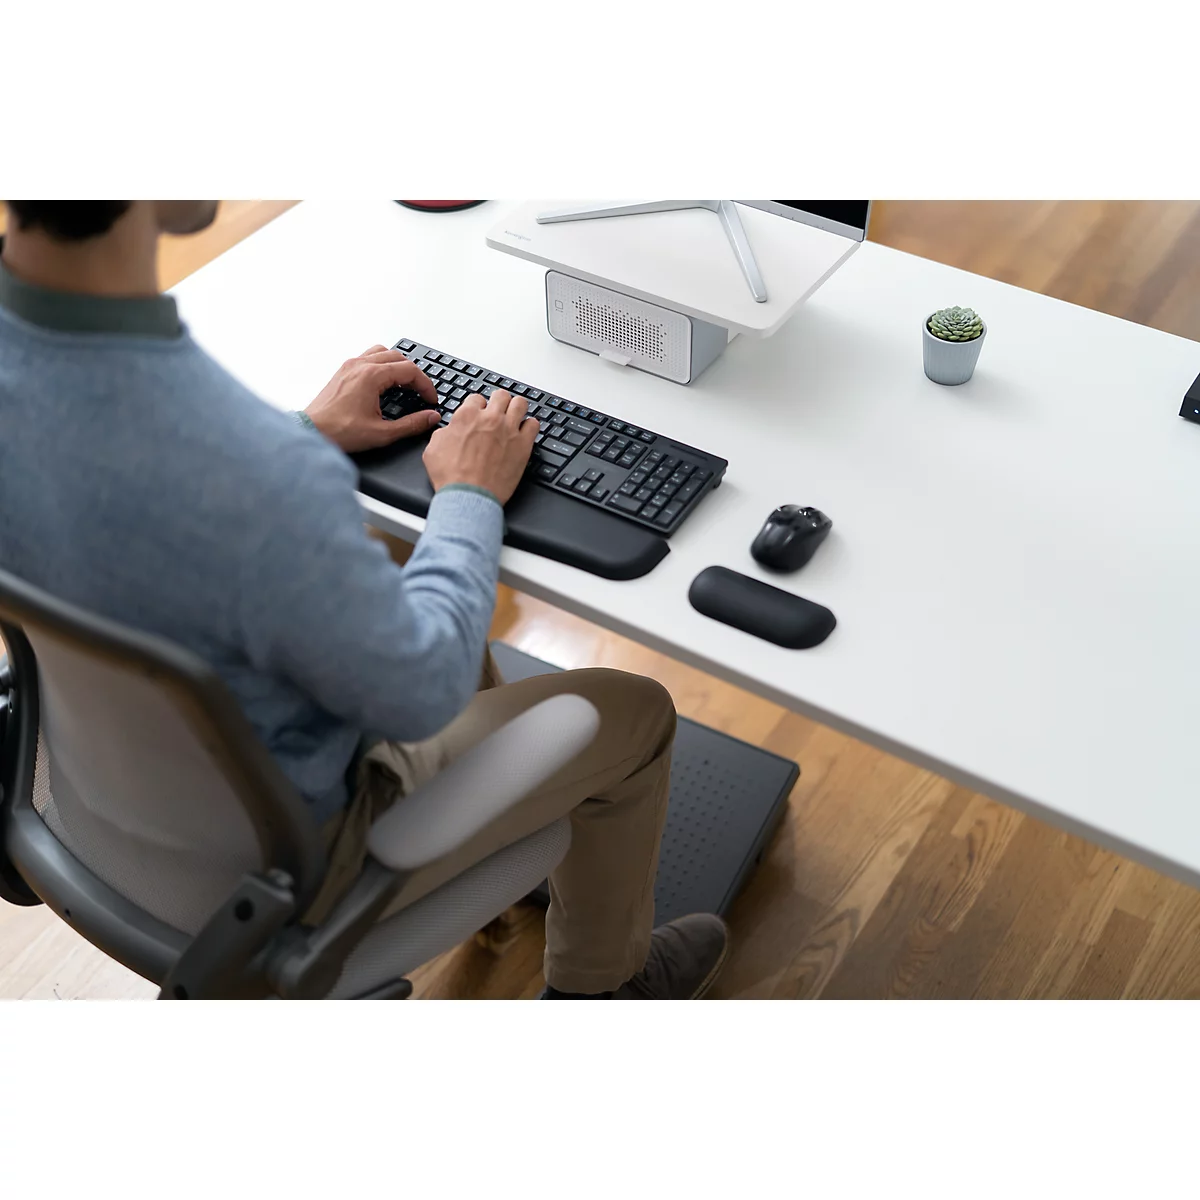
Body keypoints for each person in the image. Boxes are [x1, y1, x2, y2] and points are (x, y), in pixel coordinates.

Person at [0, 200, 730, 999]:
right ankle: (603, 988)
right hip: (294, 863)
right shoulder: (256, 470)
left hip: (86, 794)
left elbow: (123, 484)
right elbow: (424, 690)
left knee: (383, 548)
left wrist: (304, 432)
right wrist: (471, 493)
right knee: (636, 712)